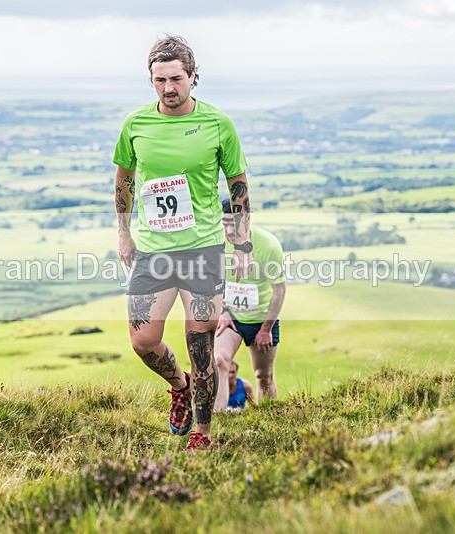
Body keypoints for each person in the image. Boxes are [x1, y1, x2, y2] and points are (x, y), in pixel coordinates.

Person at [113, 35, 254, 452]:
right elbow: (124, 179)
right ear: (151, 80)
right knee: (143, 341)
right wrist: (124, 231)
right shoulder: (136, 124)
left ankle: (202, 434)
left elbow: (238, 183)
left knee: (200, 342)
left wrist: (242, 246)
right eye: (160, 80)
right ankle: (180, 387)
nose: (169, 88)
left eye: (177, 78)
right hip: (154, 251)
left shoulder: (217, 124)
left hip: (202, 250)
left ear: (194, 77)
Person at [214, 199, 286, 411]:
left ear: (246, 220)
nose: (228, 230)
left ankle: (269, 422)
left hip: (261, 319)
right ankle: (217, 420)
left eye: (233, 224)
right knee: (219, 361)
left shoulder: (268, 245)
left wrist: (266, 329)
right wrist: (225, 311)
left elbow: (279, 291)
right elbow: (215, 282)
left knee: (263, 376)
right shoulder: (217, 242)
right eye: (224, 223)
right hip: (232, 316)